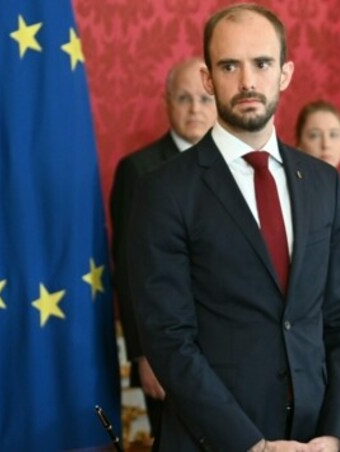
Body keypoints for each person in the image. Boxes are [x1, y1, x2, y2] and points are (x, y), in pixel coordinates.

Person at [127, 4, 340, 451]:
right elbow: (169, 341)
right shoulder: (163, 190)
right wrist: (252, 446)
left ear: (285, 73)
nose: (247, 81)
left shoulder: (323, 183)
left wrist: (333, 437)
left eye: (262, 63)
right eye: (229, 65)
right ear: (207, 78)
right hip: (215, 441)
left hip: (316, 439)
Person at [109, 56, 217, 440]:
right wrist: (143, 354)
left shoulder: (235, 167)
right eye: (184, 98)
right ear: (167, 102)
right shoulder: (139, 170)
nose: (195, 109)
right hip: (166, 350)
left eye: (205, 100)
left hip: (227, 349)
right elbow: (130, 268)